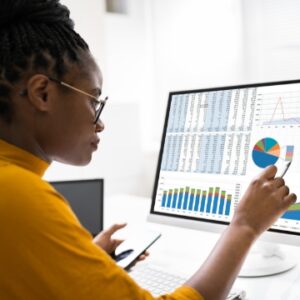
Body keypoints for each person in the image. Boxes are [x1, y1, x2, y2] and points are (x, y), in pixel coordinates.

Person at [0, 1, 296, 300]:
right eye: (94, 100)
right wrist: (245, 226)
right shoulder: (18, 194)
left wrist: (78, 260)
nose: (100, 123)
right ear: (42, 93)